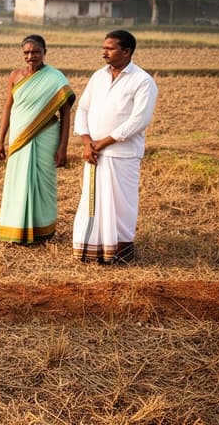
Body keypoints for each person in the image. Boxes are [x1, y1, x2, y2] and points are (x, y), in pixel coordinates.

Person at [71, 30, 158, 265]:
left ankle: (119, 252)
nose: (104, 52)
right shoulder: (98, 76)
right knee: (93, 201)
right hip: (94, 154)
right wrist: (87, 141)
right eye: (104, 47)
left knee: (121, 205)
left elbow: (139, 120)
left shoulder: (142, 81)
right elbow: (83, 109)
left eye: (110, 48)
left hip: (122, 155)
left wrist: (103, 142)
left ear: (126, 51)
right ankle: (92, 249)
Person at [0, 34, 75, 244]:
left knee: (43, 183)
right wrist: (0, 140)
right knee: (18, 181)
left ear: (44, 53)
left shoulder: (56, 78)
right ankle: (15, 229)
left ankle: (42, 230)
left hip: (47, 136)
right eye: (27, 52)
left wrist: (63, 147)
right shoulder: (15, 76)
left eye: (36, 52)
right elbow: (8, 108)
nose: (31, 56)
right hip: (19, 138)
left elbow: (66, 113)